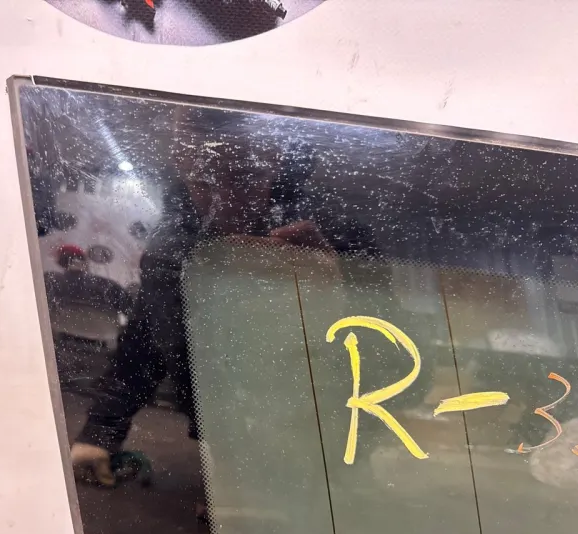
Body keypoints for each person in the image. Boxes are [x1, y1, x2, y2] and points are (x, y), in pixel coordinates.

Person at [70, 110, 380, 487]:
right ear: (181, 165)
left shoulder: (338, 240)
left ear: (276, 158)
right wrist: (100, 431)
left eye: (245, 177)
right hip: (226, 451)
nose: (226, 201)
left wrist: (338, 302)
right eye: (204, 180)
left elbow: (406, 369)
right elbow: (145, 341)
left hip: (329, 457)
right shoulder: (175, 250)